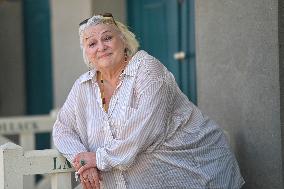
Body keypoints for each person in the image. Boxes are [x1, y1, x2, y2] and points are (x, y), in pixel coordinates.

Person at [53, 13, 244, 189]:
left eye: (107, 38)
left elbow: (142, 132)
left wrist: (98, 159)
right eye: (92, 43)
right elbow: (62, 129)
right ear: (86, 52)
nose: (101, 47)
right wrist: (84, 162)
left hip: (196, 172)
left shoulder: (147, 70)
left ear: (123, 40)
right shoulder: (83, 86)